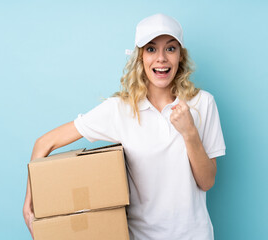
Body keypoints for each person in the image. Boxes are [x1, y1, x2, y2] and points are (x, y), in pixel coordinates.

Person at [23, 13, 226, 240]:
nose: (161, 58)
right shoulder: (120, 110)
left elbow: (207, 182)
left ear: (180, 55)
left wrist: (189, 133)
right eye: (151, 49)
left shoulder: (202, 103)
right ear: (139, 57)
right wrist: (29, 202)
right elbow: (44, 143)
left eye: (170, 49)